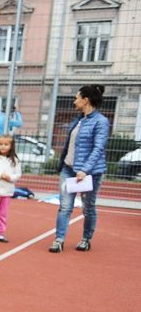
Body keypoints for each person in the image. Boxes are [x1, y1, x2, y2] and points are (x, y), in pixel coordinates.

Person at [50, 84, 110, 253]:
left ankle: (86, 239)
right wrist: (63, 164)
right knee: (65, 206)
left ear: (86, 100)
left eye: (77, 98)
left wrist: (85, 170)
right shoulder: (78, 119)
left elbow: (98, 148)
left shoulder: (101, 122)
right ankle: (59, 240)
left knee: (88, 207)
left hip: (90, 173)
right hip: (69, 169)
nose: (74, 101)